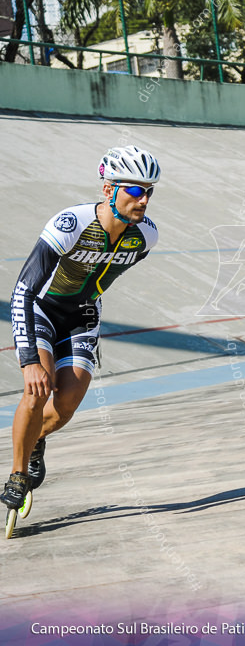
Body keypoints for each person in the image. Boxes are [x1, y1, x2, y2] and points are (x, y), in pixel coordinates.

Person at [2, 146, 160, 514]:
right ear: (109, 190)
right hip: (42, 308)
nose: (143, 199)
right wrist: (29, 360)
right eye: (134, 190)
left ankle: (36, 437)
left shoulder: (146, 238)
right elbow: (24, 290)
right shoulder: (70, 224)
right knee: (37, 390)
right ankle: (17, 474)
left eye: (149, 191)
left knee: (66, 406)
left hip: (83, 315)